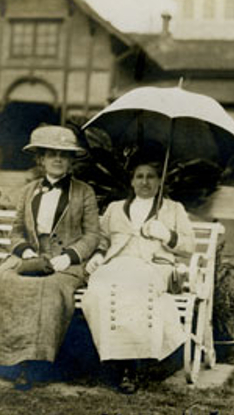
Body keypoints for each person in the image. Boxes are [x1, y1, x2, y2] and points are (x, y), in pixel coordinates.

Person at [0, 125, 100, 389]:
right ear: (41, 160)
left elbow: (92, 235)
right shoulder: (28, 192)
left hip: (66, 264)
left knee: (48, 289)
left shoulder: (83, 191)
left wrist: (69, 257)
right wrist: (25, 251)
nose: (58, 160)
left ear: (72, 160)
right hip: (31, 258)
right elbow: (17, 231)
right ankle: (3, 359)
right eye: (52, 154)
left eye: (64, 155)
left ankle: (36, 364)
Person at [82, 155, 196, 393]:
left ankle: (130, 368)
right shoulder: (115, 208)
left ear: (159, 181)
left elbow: (188, 246)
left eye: (151, 177)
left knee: (135, 287)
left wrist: (167, 235)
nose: (145, 182)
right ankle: (113, 358)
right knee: (99, 287)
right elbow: (103, 239)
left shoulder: (173, 209)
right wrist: (98, 256)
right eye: (139, 177)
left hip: (154, 266)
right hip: (118, 263)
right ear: (132, 182)